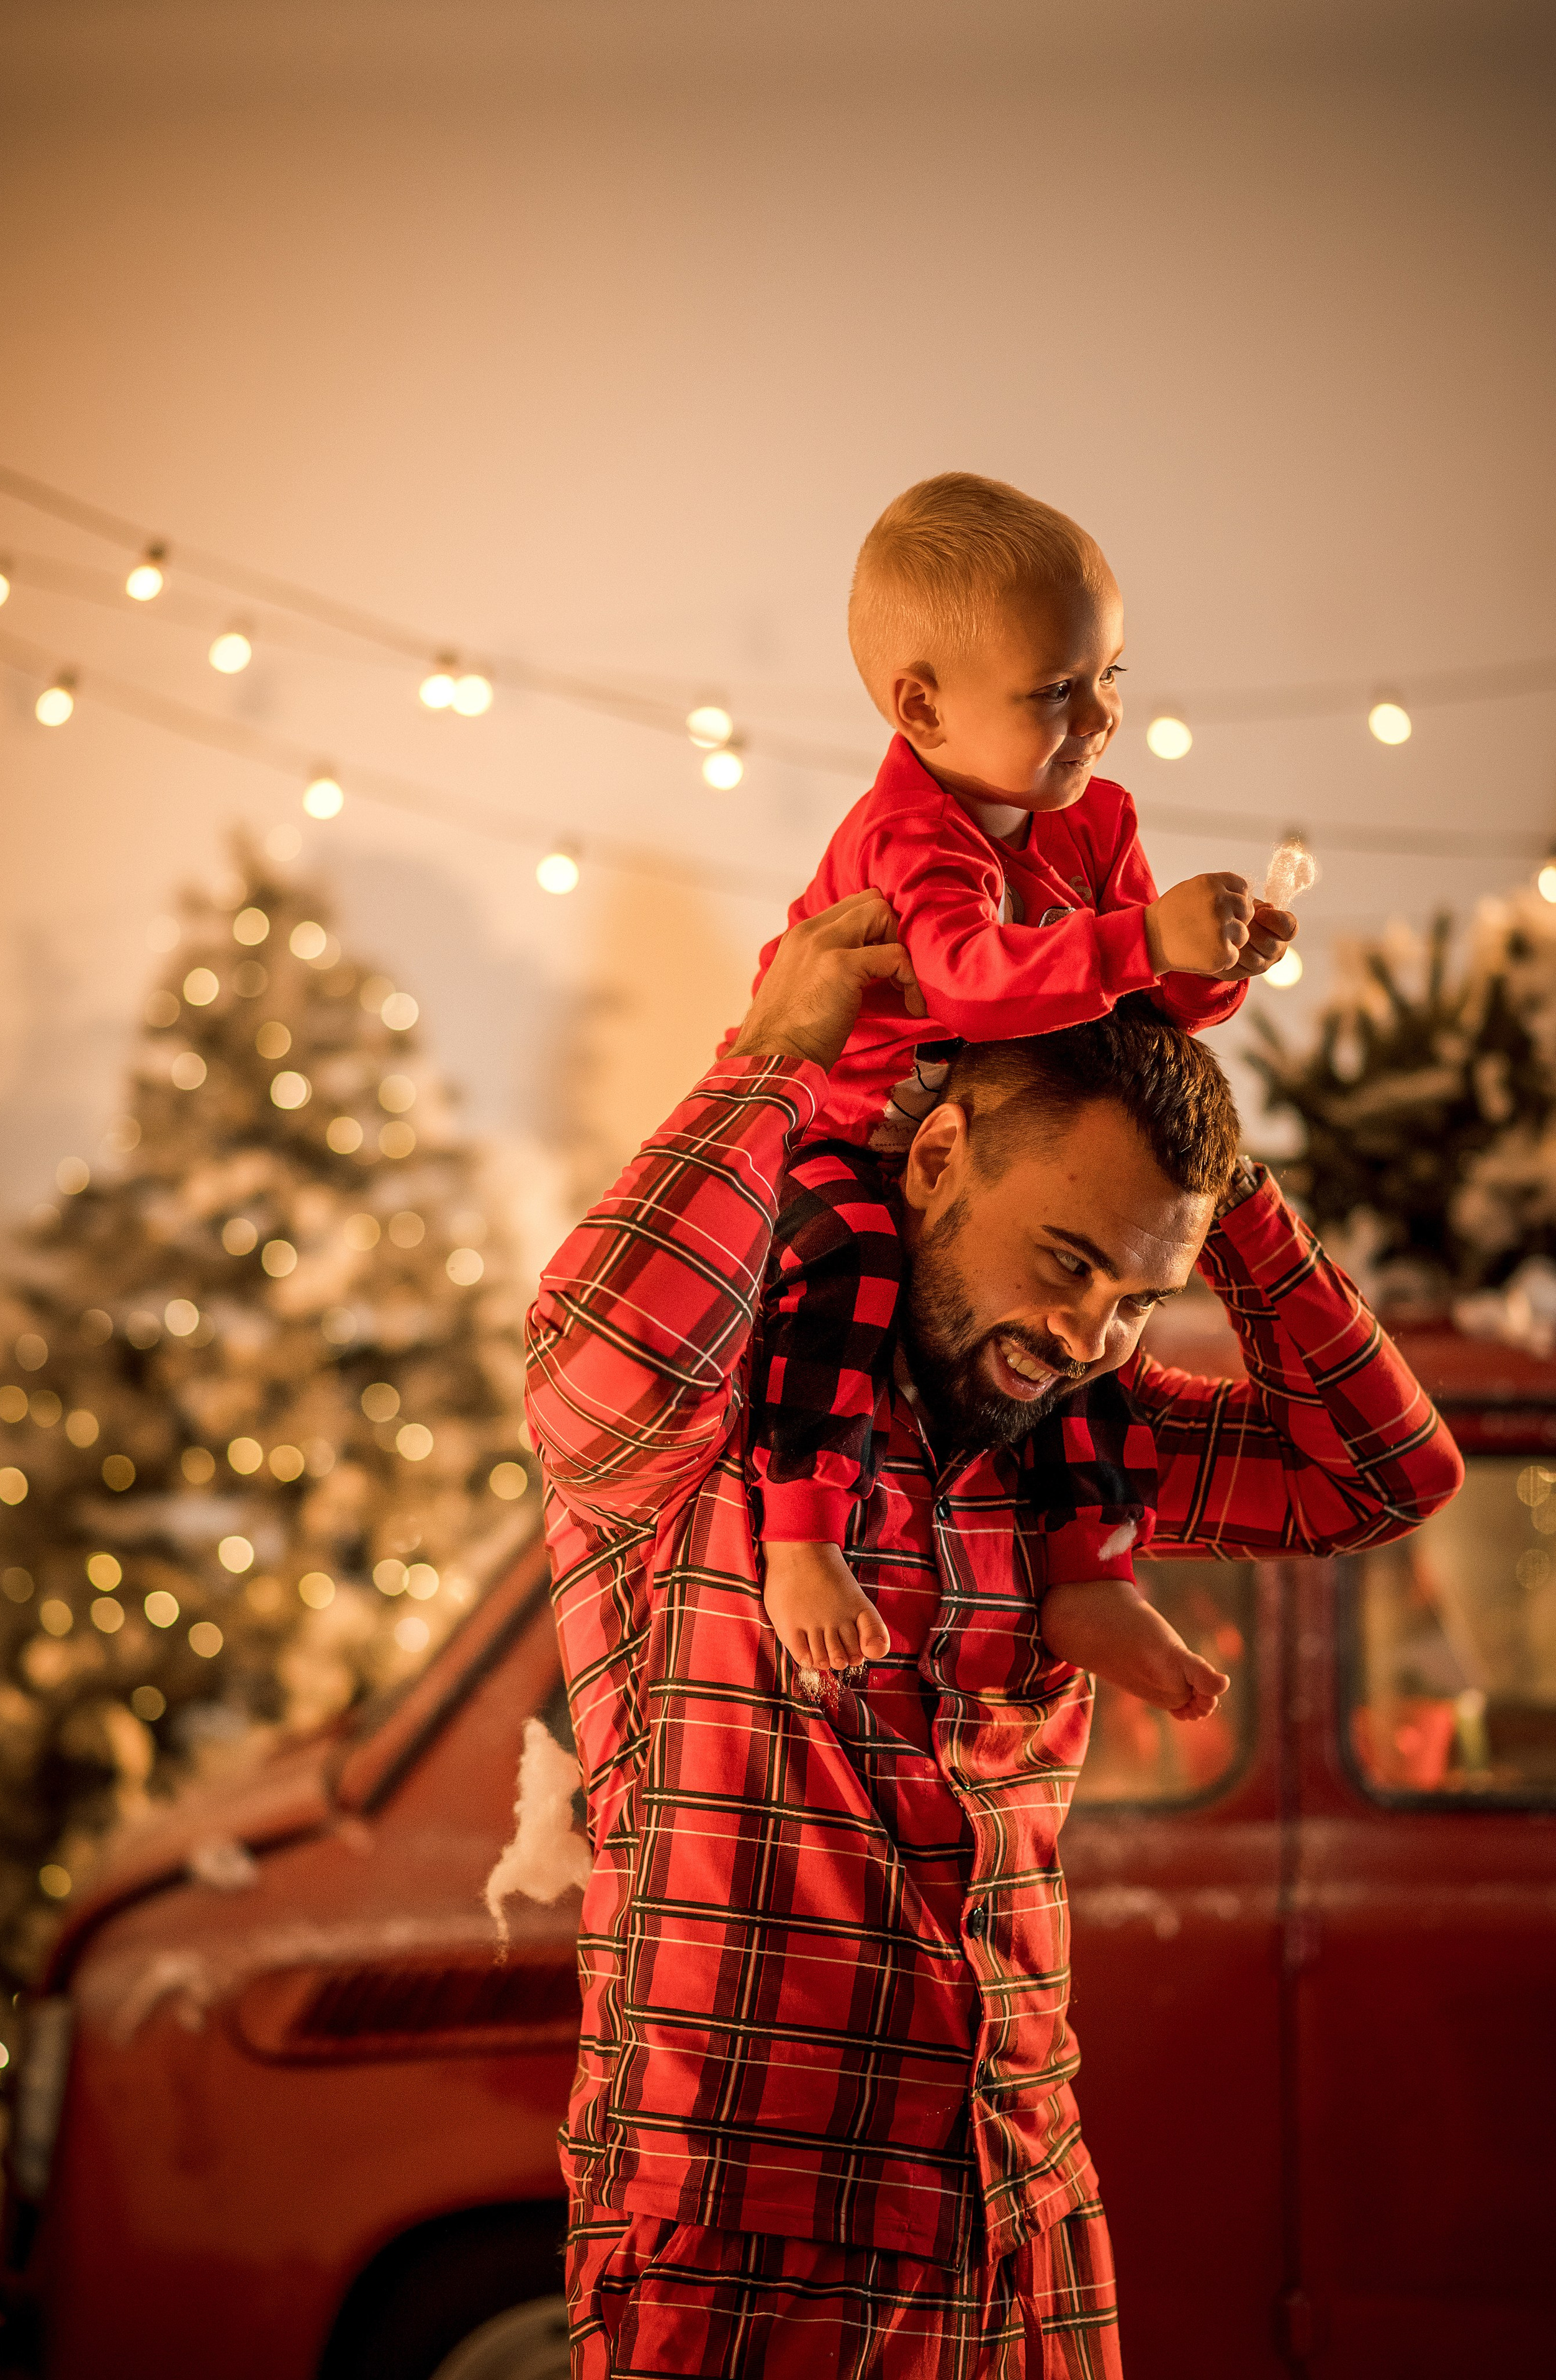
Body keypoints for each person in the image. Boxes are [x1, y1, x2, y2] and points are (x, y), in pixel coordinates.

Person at [526, 894, 1461, 2378]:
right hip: (751, 2229)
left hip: (1018, 2210)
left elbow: (1381, 1471)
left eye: (1133, 1294)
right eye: (1066, 1257)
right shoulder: (714, 1423)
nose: (1089, 1330)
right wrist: (775, 1056)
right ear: (941, 1156)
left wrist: (1221, 1193)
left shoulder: (1076, 1436)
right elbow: (599, 1352)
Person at [742, 473, 1300, 1720]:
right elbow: (977, 982)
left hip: (990, 1144)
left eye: (1110, 675)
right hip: (846, 1131)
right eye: (1057, 689)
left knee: (1083, 1310)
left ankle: (1088, 1567)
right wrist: (1142, 938)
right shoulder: (910, 838)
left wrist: (1208, 968)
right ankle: (799, 1534)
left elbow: (1132, 1007)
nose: (1098, 716)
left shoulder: (1093, 820)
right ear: (922, 704)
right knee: (849, 1269)